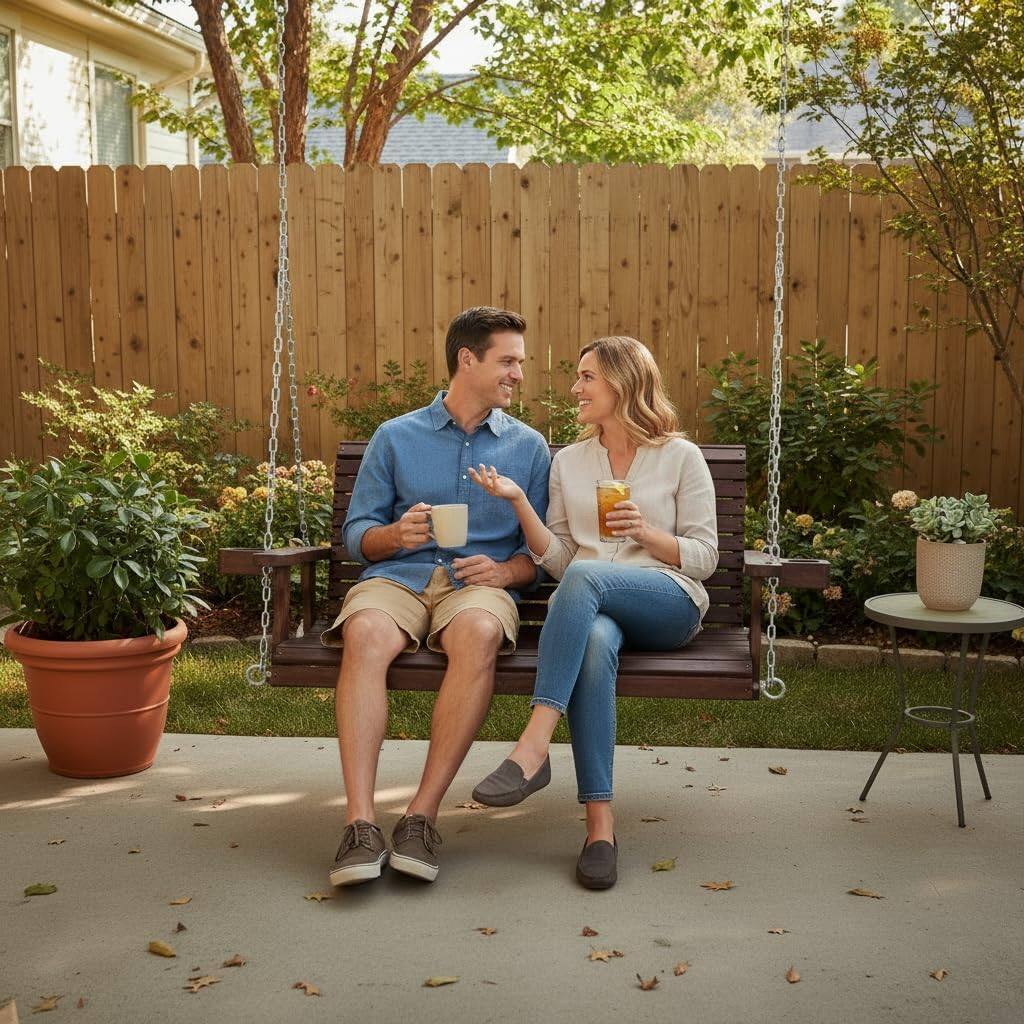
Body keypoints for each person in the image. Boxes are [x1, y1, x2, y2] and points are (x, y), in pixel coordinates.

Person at [467, 335, 718, 889]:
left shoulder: (680, 456)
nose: (574, 388)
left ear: (623, 384)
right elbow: (560, 558)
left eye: (587, 378)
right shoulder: (571, 463)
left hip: (666, 600)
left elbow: (703, 559)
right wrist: (518, 502)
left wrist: (646, 533)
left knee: (586, 577)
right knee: (595, 640)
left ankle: (534, 744)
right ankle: (599, 828)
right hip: (593, 606)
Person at [324, 307, 550, 887]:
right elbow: (357, 537)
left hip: (477, 586)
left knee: (477, 633)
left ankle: (421, 817)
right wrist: (394, 535)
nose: (518, 375)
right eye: (508, 361)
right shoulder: (396, 437)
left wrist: (505, 572)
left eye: (519, 363)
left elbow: (544, 554)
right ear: (466, 360)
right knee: (366, 631)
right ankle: (360, 825)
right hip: (399, 577)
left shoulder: (528, 448)